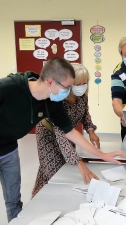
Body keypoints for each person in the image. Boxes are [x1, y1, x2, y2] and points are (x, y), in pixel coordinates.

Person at [0, 57, 126, 225]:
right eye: (67, 87)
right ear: (50, 82)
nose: (68, 92)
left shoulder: (52, 101)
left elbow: (69, 131)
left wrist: (101, 154)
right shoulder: (7, 88)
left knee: (14, 201)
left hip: (8, 148)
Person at [32, 63, 99, 197]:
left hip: (69, 134)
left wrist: (91, 131)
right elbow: (61, 135)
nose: (82, 87)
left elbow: (85, 114)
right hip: (48, 134)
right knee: (52, 170)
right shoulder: (58, 100)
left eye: (84, 83)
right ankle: (45, 199)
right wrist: (79, 163)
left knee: (66, 167)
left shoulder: (82, 97)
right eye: (78, 84)